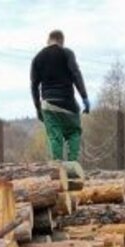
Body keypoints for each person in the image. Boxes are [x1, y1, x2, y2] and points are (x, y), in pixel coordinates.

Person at [30, 30, 90, 164]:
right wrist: (84, 97)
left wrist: (38, 108)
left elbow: (34, 86)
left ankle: (58, 169)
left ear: (48, 40)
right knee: (74, 131)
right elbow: (76, 74)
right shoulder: (67, 53)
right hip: (67, 103)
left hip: (48, 104)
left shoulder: (37, 58)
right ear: (62, 41)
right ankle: (72, 166)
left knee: (54, 137)